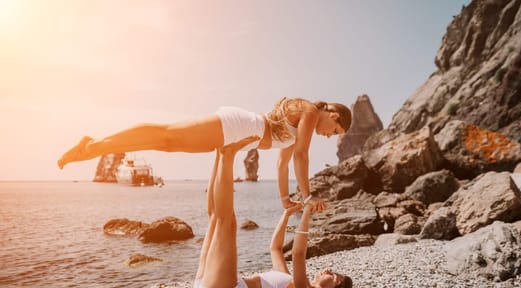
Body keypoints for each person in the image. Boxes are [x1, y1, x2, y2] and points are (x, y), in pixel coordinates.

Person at [57, 97, 352, 211]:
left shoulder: (302, 124)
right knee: (167, 136)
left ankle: (95, 145)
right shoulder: (312, 111)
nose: (328, 136)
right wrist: (309, 195)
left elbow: (284, 162)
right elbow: (301, 156)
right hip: (238, 126)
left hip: (238, 136)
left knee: (167, 142)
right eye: (334, 132)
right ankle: (94, 145)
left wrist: (285, 198)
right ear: (334, 115)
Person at [192, 135, 364, 288]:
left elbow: (298, 254)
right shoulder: (288, 279)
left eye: (333, 275)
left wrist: (306, 211)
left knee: (225, 221)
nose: (329, 270)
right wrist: (286, 215)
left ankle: (228, 155)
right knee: (215, 217)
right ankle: (221, 154)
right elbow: (275, 248)